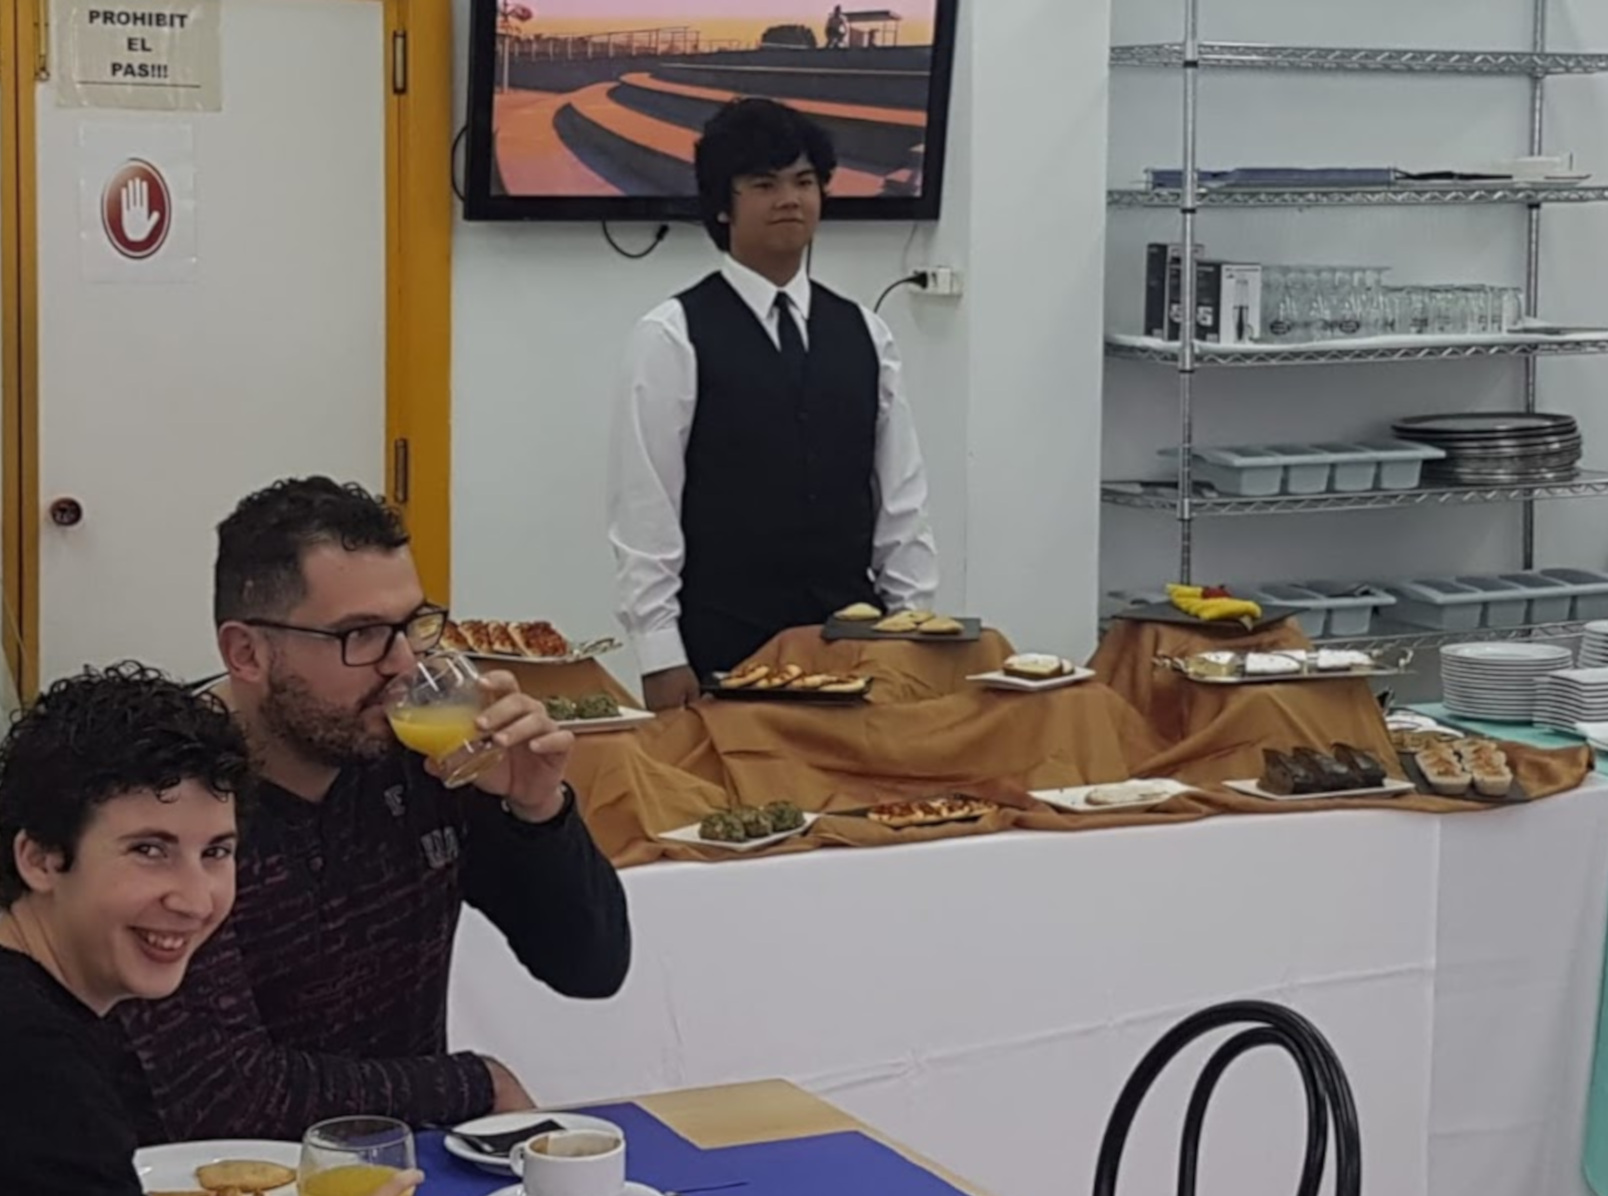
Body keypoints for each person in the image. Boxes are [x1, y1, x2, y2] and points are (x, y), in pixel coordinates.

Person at [111, 477, 632, 1143]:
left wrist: (536, 810)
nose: (402, 664)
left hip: (400, 1168)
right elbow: (225, 1096)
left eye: (412, 627)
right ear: (247, 653)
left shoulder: (419, 756)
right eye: (360, 635)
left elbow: (590, 968)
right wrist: (475, 1083)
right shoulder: (164, 796)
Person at [0, 663, 418, 1196]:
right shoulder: (38, 1072)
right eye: (149, 850)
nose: (195, 901)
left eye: (216, 852)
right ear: (40, 859)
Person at [609, 98, 938, 711]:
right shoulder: (672, 334)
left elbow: (901, 501)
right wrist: (659, 653)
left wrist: (914, 626)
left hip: (856, 646)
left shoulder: (866, 332)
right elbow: (645, 509)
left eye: (804, 182)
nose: (790, 199)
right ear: (722, 205)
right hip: (725, 646)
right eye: (765, 184)